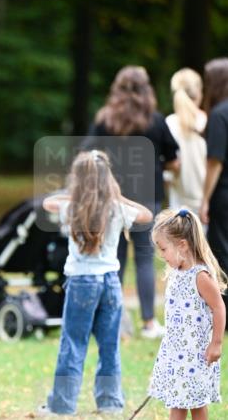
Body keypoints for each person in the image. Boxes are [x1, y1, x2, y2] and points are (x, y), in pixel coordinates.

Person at [36, 150, 152, 417]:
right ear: (108, 179)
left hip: (81, 282)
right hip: (110, 282)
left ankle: (62, 405)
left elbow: (47, 203)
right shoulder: (117, 208)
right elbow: (146, 215)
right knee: (109, 344)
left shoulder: (72, 208)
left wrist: (77, 194)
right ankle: (110, 403)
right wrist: (117, 196)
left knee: (73, 343)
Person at [86, 65, 178, 339]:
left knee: (114, 257)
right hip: (146, 198)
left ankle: (113, 321)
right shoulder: (156, 120)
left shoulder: (105, 120)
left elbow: (87, 153)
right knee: (145, 259)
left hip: (111, 197)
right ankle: (149, 323)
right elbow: (174, 160)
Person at [146, 209, 225, 420]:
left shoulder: (200, 276)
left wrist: (216, 343)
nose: (162, 255)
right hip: (176, 350)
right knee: (177, 395)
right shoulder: (175, 273)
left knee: (195, 397)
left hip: (196, 351)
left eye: (163, 249)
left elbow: (219, 308)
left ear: (182, 245)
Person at [200, 57, 228, 318]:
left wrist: (205, 198)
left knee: (221, 253)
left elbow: (215, 161)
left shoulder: (220, 114)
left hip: (224, 195)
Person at [164, 68, 207, 214]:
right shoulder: (209, 122)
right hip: (206, 207)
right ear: (199, 92)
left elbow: (169, 170)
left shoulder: (169, 123)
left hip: (178, 206)